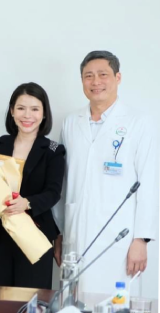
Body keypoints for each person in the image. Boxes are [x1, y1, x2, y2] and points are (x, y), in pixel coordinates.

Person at [57, 50, 157, 294]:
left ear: (118, 77)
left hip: (120, 240)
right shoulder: (71, 122)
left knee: (115, 302)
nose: (95, 82)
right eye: (88, 76)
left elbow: (150, 183)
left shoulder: (138, 122)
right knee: (73, 304)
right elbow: (62, 182)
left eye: (103, 74)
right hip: (75, 235)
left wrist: (141, 239)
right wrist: (57, 233)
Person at [0, 82, 65, 289]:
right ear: (12, 111)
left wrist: (26, 203)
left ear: (44, 113)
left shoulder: (53, 150)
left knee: (31, 301)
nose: (27, 115)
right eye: (21, 108)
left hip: (36, 234)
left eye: (35, 109)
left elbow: (53, 192)